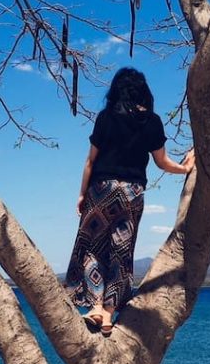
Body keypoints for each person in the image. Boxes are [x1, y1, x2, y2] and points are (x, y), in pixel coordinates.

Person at [65, 67, 194, 336]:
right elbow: (162, 162)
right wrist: (185, 168)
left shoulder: (106, 117)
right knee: (121, 253)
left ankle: (96, 308)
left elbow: (90, 161)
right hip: (132, 194)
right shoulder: (152, 121)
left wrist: (81, 194)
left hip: (101, 190)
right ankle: (110, 315)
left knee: (92, 249)